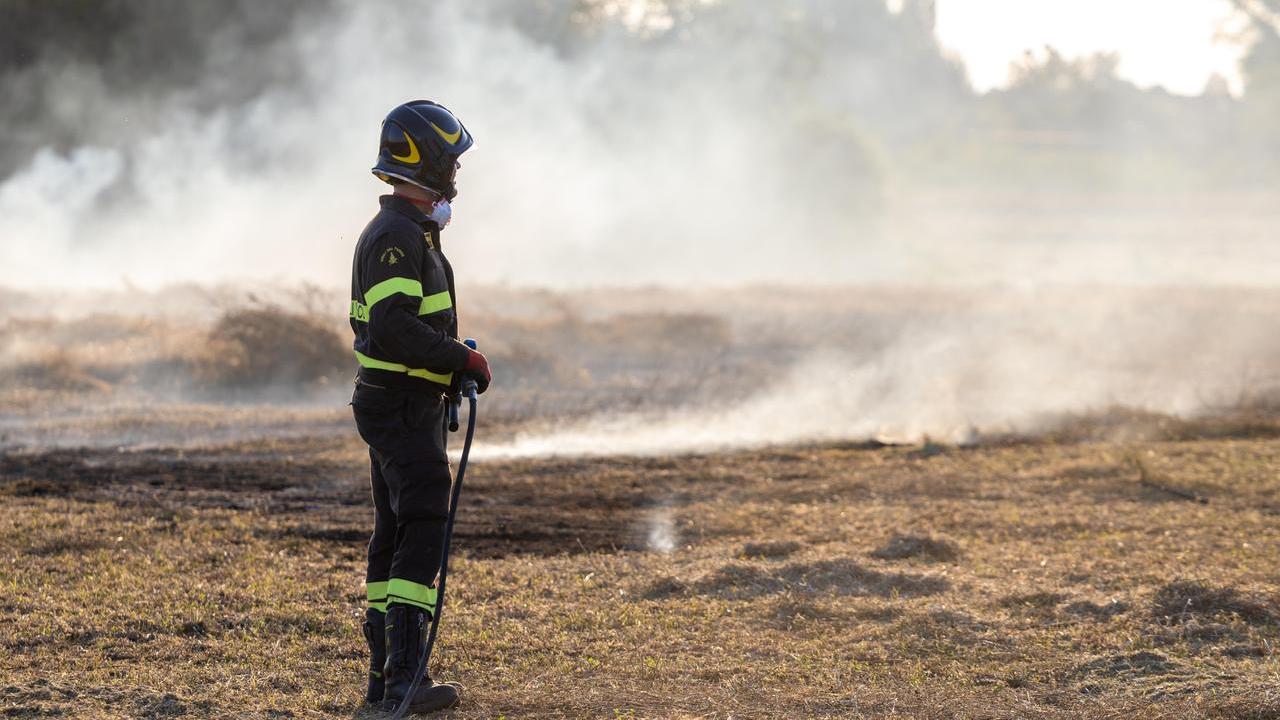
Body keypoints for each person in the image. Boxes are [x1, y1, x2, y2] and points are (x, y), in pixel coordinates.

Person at [347, 99, 492, 713]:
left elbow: (403, 330)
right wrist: (460, 359)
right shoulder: (396, 238)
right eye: (450, 164)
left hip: (402, 401)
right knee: (423, 525)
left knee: (393, 531)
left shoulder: (409, 234)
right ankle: (404, 679)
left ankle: (386, 680)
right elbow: (394, 328)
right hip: (401, 405)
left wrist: (447, 363)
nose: (456, 178)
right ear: (427, 162)